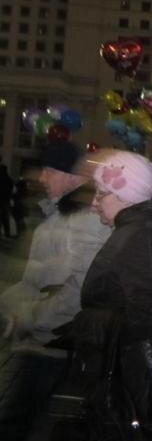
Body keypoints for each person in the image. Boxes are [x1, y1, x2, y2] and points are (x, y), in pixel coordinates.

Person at [58, 149, 152, 441]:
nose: (94, 202)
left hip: (136, 375)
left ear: (124, 195)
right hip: (131, 371)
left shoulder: (143, 235)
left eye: (101, 193)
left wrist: (89, 324)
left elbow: (150, 312)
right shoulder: (135, 229)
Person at [1, 143, 111, 351]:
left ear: (75, 178)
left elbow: (78, 293)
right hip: (43, 340)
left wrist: (30, 317)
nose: (42, 178)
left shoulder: (86, 219)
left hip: (56, 342)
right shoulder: (61, 211)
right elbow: (39, 276)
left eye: (50, 171)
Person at [0, 163, 14, 239]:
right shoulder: (9, 180)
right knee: (5, 219)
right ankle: (7, 234)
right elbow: (11, 191)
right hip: (6, 201)